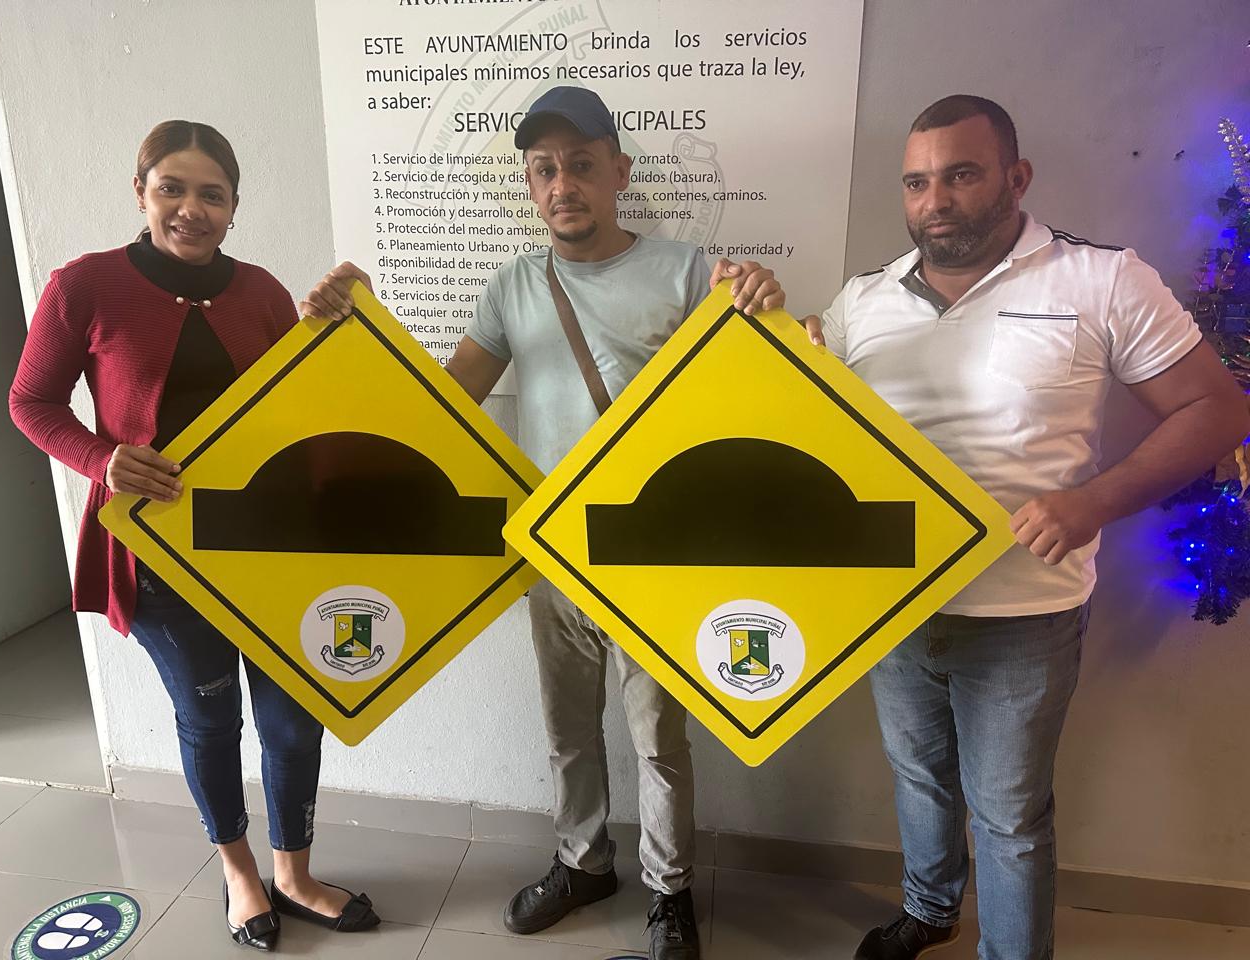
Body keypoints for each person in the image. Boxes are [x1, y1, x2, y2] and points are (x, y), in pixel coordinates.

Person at [302, 86, 785, 960]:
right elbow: (448, 403)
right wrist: (365, 325)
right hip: (552, 550)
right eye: (545, 169)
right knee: (568, 733)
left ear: (619, 173)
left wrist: (765, 302)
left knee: (658, 739)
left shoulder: (686, 272)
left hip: (652, 556)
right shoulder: (513, 285)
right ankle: (582, 862)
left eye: (581, 165)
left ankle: (669, 891)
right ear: (529, 185)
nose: (564, 184)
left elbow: (750, 394)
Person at [801, 95, 1249, 960]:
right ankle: (931, 909)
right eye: (917, 183)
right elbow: (813, 423)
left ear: (1017, 177)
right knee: (919, 778)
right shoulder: (863, 300)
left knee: (1008, 815)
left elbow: (1218, 409)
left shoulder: (1103, 279)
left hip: (1024, 614)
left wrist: (1092, 504)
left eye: (962, 175)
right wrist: (771, 331)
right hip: (895, 604)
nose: (936, 200)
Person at [9, 120, 381, 952]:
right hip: (158, 559)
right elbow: (30, 402)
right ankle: (240, 872)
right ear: (140, 192)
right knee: (210, 720)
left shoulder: (261, 292)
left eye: (212, 194)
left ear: (234, 206)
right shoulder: (84, 286)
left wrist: (333, 326)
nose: (191, 208)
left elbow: (301, 408)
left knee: (296, 723)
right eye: (171, 188)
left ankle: (295, 873)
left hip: (271, 551)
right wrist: (101, 459)